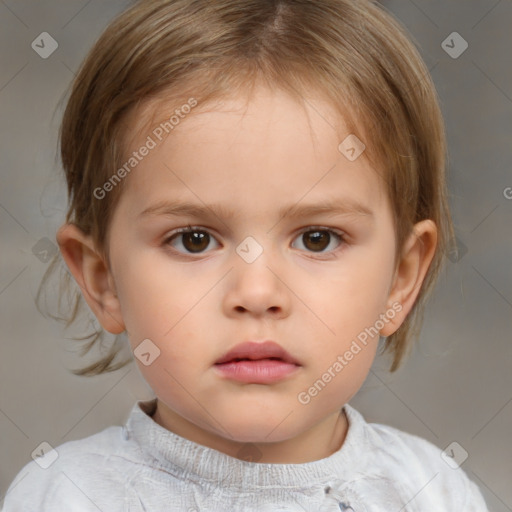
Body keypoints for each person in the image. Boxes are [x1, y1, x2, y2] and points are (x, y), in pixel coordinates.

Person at [2, 0, 489, 510]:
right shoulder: (64, 495)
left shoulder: (432, 493)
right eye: (194, 240)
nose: (256, 294)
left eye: (317, 238)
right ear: (103, 280)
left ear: (400, 278)